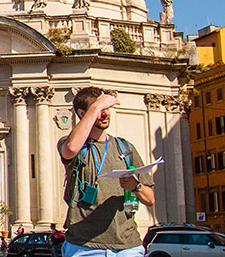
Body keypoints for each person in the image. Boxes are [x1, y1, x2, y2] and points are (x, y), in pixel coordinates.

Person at [56, 88, 154, 257]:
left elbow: (150, 199)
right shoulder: (72, 144)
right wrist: (94, 109)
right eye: (99, 109)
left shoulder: (125, 148)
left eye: (106, 109)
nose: (104, 114)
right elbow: (70, 148)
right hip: (84, 246)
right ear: (82, 113)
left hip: (128, 246)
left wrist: (136, 186)